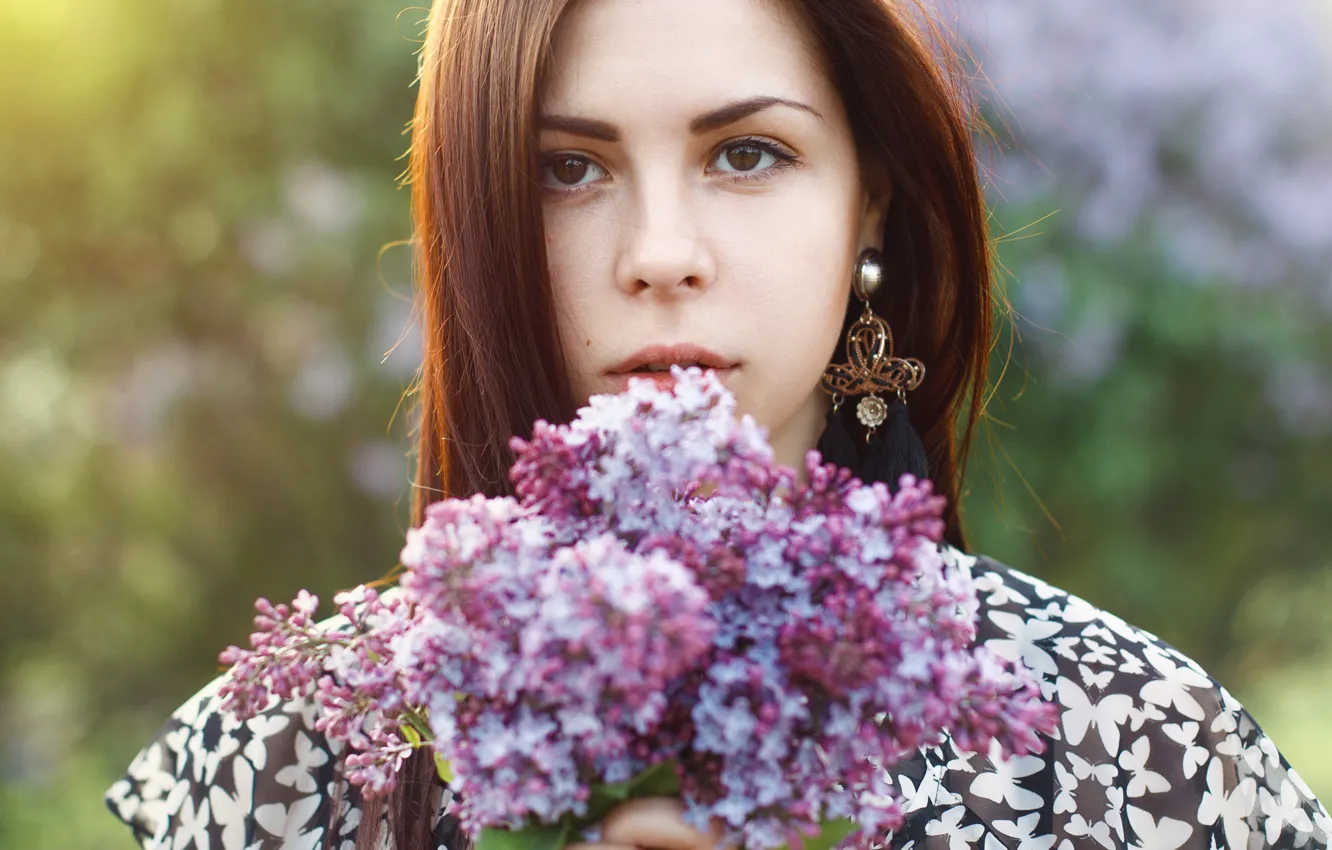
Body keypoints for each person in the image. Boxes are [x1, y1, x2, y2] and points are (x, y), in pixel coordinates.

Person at [105, 0, 1331, 848]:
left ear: (872, 206)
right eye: (566, 170)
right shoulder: (288, 756)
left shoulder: (1134, 752)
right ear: (480, 221)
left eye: (746, 153)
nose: (660, 255)